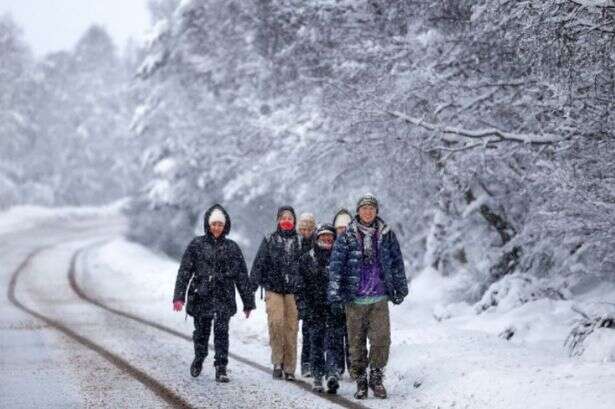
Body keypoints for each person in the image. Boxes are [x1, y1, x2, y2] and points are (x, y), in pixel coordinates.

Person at [328, 194, 408, 399]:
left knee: (382, 340)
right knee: (356, 343)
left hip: (379, 298)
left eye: (372, 208)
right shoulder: (347, 236)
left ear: (376, 211)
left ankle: (376, 377)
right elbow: (336, 267)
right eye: (364, 208)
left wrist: (401, 287)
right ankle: (361, 380)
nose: (368, 212)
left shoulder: (386, 234)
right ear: (358, 212)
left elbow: (397, 262)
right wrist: (335, 293)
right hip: (354, 299)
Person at [172, 204, 255, 383]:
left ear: (225, 226)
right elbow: (185, 271)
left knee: (221, 332)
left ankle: (221, 367)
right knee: (201, 332)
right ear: (208, 225)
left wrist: (248, 302)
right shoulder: (196, 244)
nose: (217, 228)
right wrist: (179, 296)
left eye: (220, 224)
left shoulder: (232, 248)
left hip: (224, 295)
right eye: (214, 224)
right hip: (201, 295)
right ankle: (200, 356)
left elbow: (241, 276)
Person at [250, 206, 303, 381]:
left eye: (290, 218)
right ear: (278, 220)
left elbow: (307, 267)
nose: (286, 221)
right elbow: (258, 264)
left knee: (291, 328)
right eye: (283, 218)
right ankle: (277, 362)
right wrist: (251, 289)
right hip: (273, 289)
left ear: (294, 221)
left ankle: (289, 367)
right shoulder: (269, 239)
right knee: (276, 323)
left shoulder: (300, 241)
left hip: (293, 291)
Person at [298, 224, 345, 394]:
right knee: (316, 342)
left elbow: (345, 283)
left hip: (334, 308)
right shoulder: (306, 259)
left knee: (333, 342)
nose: (326, 239)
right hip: (313, 308)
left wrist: (341, 302)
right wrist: (302, 306)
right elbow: (300, 286)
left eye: (330, 237)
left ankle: (332, 374)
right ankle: (318, 375)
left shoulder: (340, 258)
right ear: (317, 239)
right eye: (323, 237)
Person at [297, 212, 317, 378]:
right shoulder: (296, 243)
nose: (305, 231)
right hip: (302, 290)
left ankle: (315, 361)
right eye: (302, 228)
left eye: (309, 228)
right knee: (306, 329)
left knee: (316, 329)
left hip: (315, 290)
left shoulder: (318, 242)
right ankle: (306, 363)